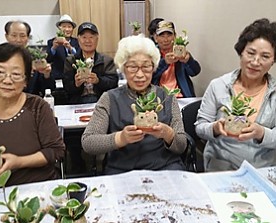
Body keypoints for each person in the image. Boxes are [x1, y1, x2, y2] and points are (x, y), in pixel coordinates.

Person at [81, 35, 187, 175]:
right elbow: (88, 142)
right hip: (122, 170)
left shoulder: (167, 97)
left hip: (165, 167)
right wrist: (120, 138)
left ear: (153, 67)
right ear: (123, 68)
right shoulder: (109, 98)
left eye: (146, 67)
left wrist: (167, 134)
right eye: (132, 67)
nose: (140, 74)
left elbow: (181, 146)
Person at [0, 42, 65, 189]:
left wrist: (19, 161)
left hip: (38, 187)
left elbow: (56, 151)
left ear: (25, 81)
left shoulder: (38, 106)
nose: (7, 80)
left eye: (16, 74)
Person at [195, 18, 276, 171]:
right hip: (221, 166)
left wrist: (261, 133)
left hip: (263, 170)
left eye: (265, 56)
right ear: (241, 53)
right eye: (250, 53)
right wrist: (215, 128)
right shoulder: (218, 86)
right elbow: (200, 127)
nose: (255, 61)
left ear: (273, 60)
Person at [63, 22, 119, 104]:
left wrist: (98, 80)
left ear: (97, 39)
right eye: (84, 37)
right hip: (78, 102)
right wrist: (76, 84)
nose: (87, 41)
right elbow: (66, 87)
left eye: (91, 37)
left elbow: (113, 83)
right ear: (78, 39)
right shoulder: (71, 61)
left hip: (101, 101)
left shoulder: (106, 60)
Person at [3, 20, 55, 97]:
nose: (18, 40)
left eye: (22, 36)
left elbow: (47, 89)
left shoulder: (36, 58)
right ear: (7, 36)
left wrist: (46, 75)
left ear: (28, 38)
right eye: (14, 35)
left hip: (31, 103)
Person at [152, 21, 201, 98]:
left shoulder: (180, 51)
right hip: (160, 98)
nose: (166, 40)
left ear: (175, 36)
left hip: (182, 97)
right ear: (156, 38)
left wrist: (188, 61)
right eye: (162, 36)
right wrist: (164, 62)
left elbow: (195, 72)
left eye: (169, 35)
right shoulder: (151, 54)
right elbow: (150, 76)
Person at [46, 14, 80, 80]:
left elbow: (80, 57)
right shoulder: (52, 42)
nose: (67, 29)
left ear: (73, 29)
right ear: (59, 28)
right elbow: (48, 59)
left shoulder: (77, 42)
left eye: (69, 27)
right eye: (64, 26)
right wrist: (54, 47)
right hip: (58, 77)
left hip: (74, 77)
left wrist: (70, 48)